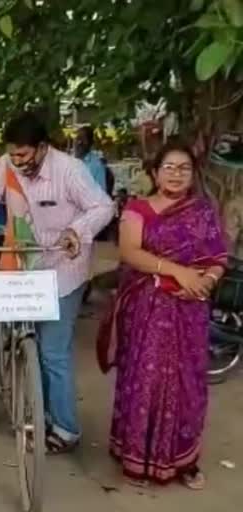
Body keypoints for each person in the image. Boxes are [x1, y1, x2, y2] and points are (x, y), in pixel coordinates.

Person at [0, 112, 114, 452]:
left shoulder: (69, 170)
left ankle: (65, 428)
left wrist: (78, 229)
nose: (18, 162)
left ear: (43, 148)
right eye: (13, 155)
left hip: (62, 269)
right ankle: (35, 409)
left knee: (53, 352)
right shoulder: (7, 165)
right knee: (27, 342)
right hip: (22, 263)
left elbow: (104, 206)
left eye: (24, 156)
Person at [98, 142, 227, 489]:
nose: (175, 174)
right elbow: (130, 252)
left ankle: (184, 460)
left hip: (191, 310)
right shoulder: (137, 209)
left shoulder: (202, 211)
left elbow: (218, 256)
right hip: (148, 308)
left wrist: (205, 281)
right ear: (155, 173)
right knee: (147, 380)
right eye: (168, 167)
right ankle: (137, 455)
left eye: (183, 168)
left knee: (188, 383)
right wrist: (178, 272)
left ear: (192, 174)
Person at [74, 126, 108, 193]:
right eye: (78, 139)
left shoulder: (97, 165)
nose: (79, 142)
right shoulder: (68, 161)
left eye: (83, 139)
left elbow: (101, 193)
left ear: (90, 143)